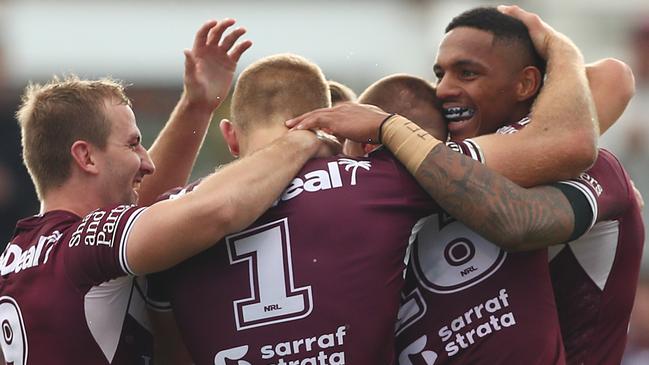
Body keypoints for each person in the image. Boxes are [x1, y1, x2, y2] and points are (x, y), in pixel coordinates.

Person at [147, 17, 602, 361]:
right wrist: (557, 48)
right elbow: (569, 142)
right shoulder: (383, 178)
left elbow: (131, 218)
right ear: (331, 122)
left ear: (229, 135)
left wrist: (195, 106)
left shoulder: (173, 213)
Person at [286, 5, 641, 364]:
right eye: (440, 73)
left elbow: (520, 219)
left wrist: (556, 46)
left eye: (468, 73)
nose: (444, 89)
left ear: (525, 83)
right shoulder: (433, 175)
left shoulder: (589, 166)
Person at [0, 20, 337, 365]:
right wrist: (304, 137)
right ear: (85, 157)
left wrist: (197, 105)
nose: (148, 164)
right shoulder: (85, 245)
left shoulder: (16, 256)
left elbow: (144, 211)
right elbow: (216, 211)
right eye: (133, 144)